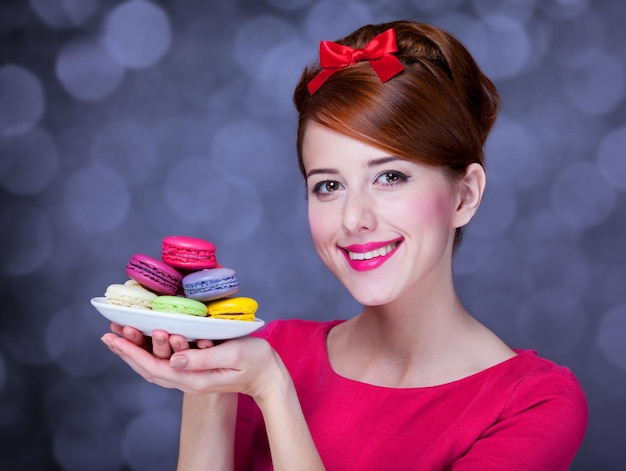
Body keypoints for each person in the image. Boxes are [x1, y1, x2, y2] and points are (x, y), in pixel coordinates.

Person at [102, 20, 588, 470]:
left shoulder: (533, 402)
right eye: (328, 186)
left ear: (464, 195)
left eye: (391, 176)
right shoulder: (264, 350)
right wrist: (205, 382)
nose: (355, 219)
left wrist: (273, 390)